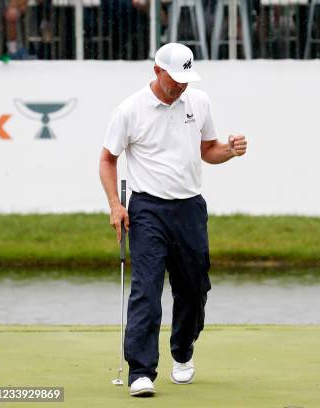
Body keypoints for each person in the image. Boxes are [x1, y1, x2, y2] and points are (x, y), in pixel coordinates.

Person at [99, 42, 247, 397]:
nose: (181, 85)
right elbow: (107, 159)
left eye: (186, 78)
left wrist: (229, 149)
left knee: (194, 290)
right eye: (175, 78)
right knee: (147, 290)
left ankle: (182, 352)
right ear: (157, 71)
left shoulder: (199, 101)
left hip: (190, 208)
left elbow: (208, 150)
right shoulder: (129, 110)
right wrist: (114, 206)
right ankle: (140, 370)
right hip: (147, 209)